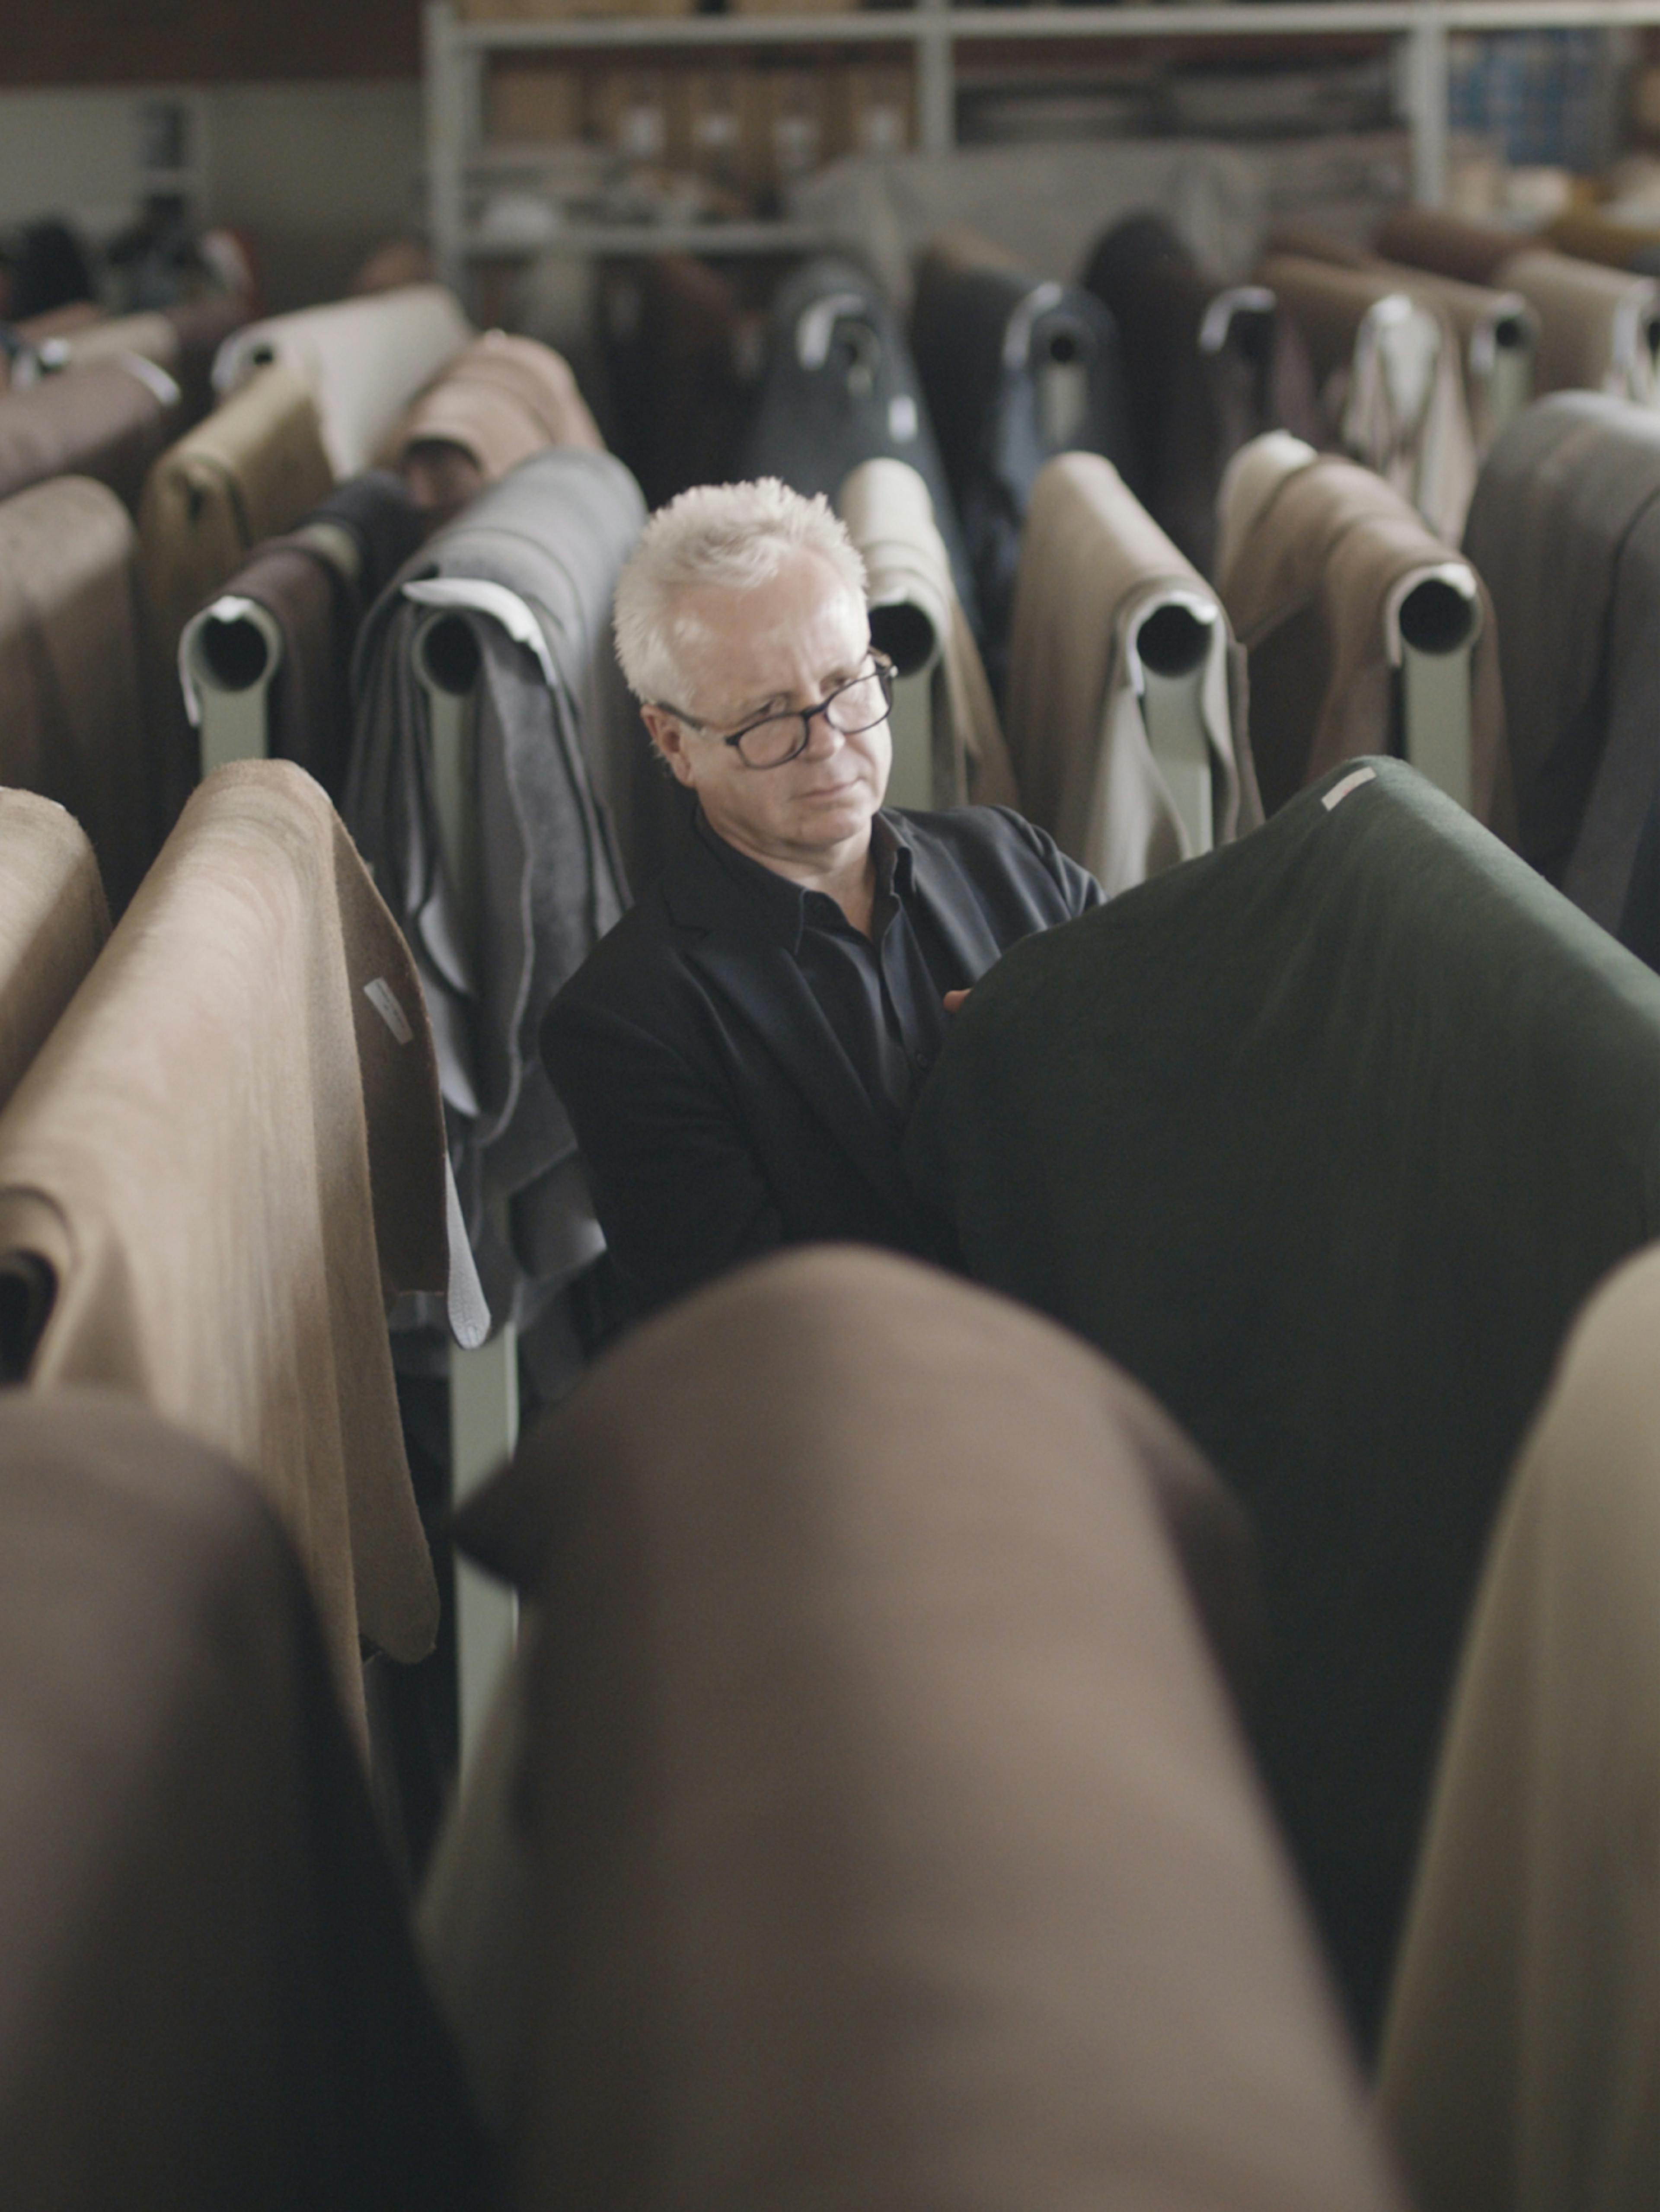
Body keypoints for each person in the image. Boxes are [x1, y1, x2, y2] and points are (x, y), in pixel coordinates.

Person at [542, 476, 1101, 1316]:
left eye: (848, 684)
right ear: (674, 743)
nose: (830, 744)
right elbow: (761, 1341)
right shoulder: (629, 1020)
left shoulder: (1016, 861)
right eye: (770, 716)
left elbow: (1164, 1121)